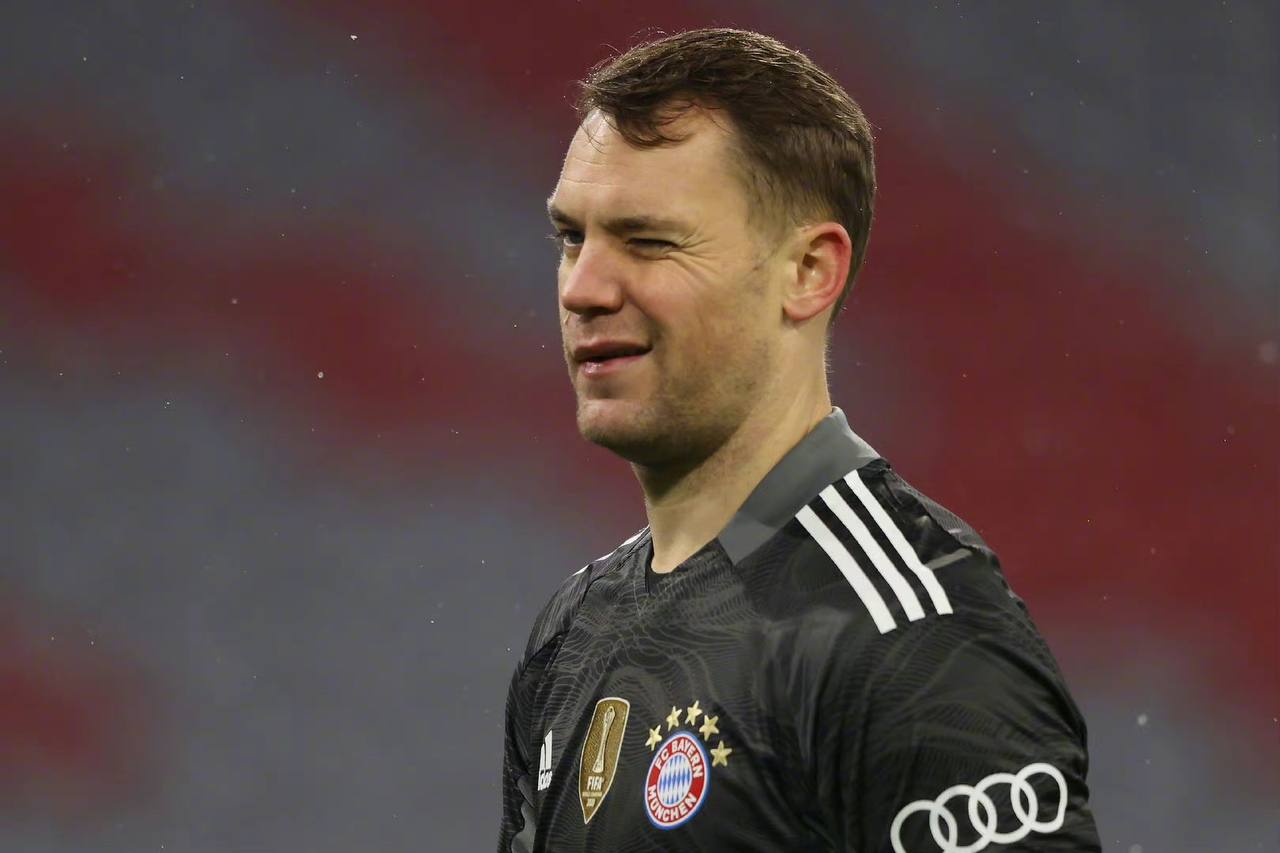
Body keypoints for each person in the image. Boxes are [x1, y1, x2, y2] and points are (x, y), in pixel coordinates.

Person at [497, 27, 1101, 853]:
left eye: (649, 241)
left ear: (809, 271)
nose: (584, 288)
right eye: (572, 237)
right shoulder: (572, 632)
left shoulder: (908, 634)